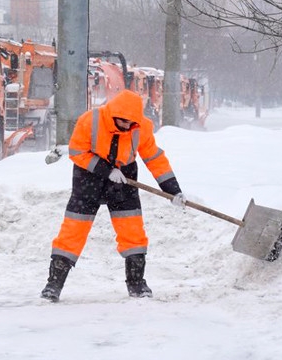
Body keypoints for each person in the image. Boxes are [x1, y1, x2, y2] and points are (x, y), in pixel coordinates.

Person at [41, 89, 186, 302]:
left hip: (124, 179)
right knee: (73, 231)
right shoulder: (90, 120)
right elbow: (77, 151)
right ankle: (53, 284)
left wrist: (172, 190)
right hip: (89, 177)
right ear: (113, 115)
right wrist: (106, 170)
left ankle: (137, 284)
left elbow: (154, 158)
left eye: (131, 123)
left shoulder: (141, 127)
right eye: (124, 122)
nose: (127, 126)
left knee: (133, 231)